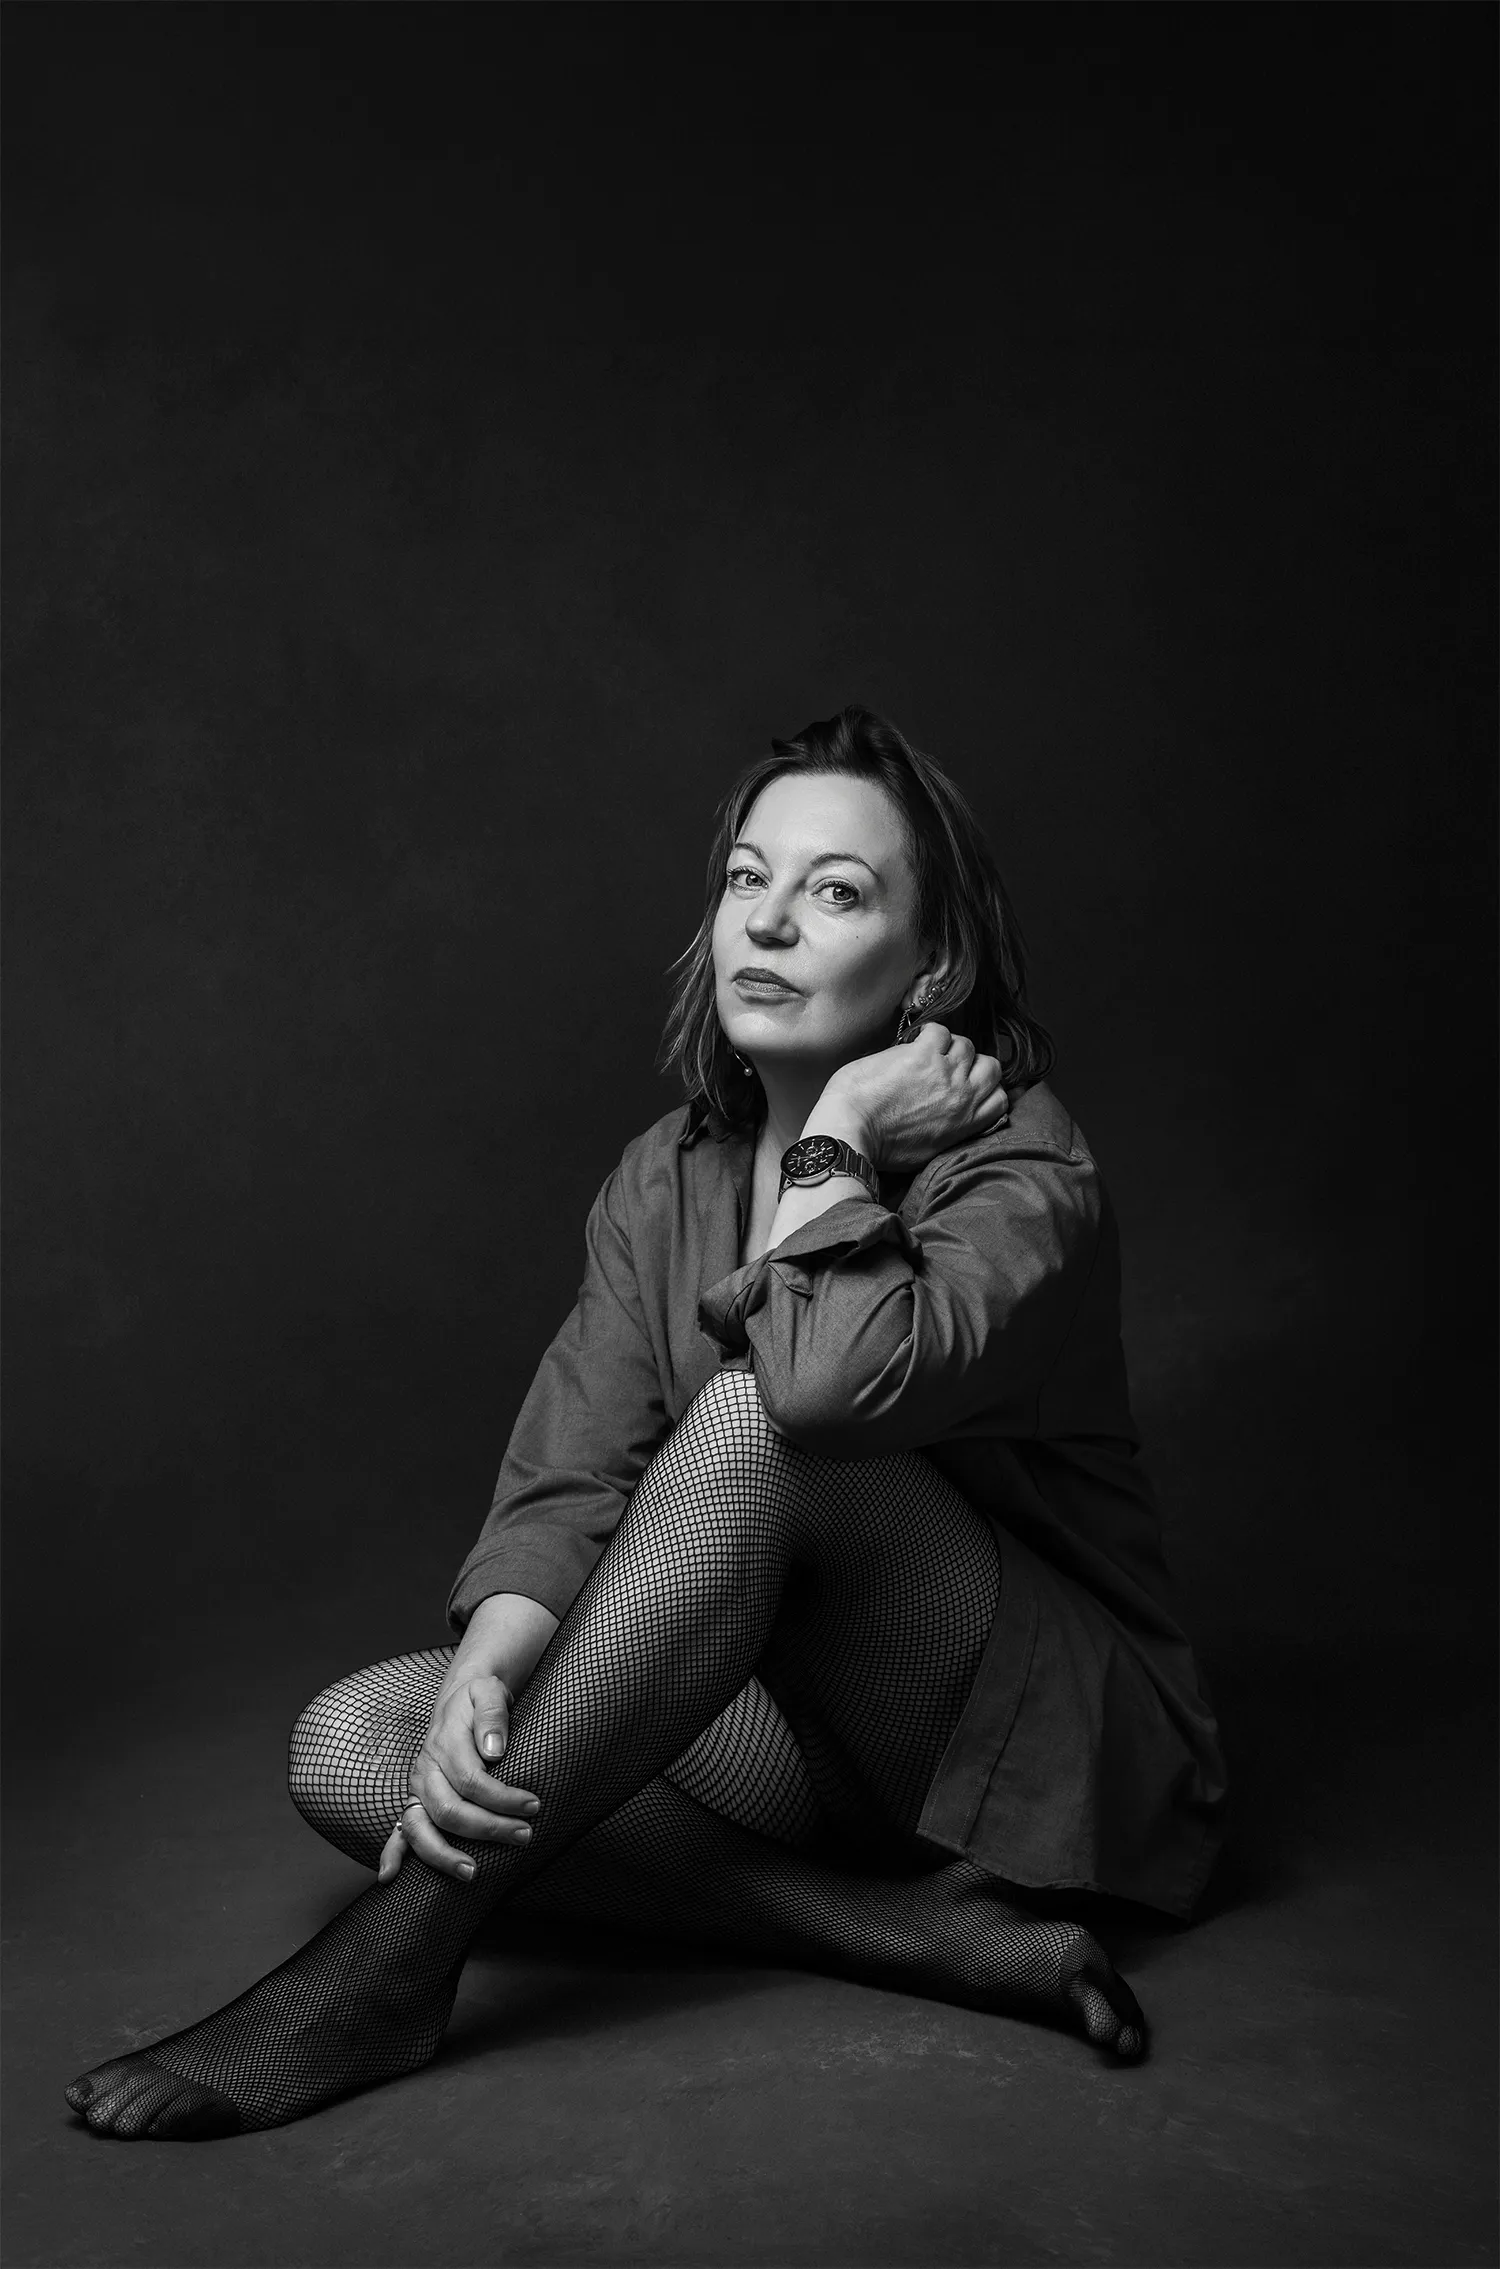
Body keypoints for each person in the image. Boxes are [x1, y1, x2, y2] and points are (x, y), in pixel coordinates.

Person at [65, 706, 1227, 2141]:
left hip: (1004, 1739)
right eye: (747, 879)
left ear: (933, 965)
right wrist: (490, 1666)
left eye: (835, 892)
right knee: (357, 1744)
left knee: (756, 1421)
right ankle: (885, 1926)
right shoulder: (665, 1177)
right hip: (795, 1739)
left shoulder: (1021, 1168)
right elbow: (574, 1464)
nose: (770, 923)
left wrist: (842, 1133)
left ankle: (386, 1968)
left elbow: (820, 1390)